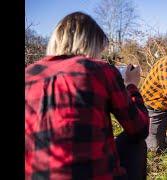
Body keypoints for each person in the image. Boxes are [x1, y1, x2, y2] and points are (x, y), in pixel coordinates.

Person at [25, 12, 149, 180]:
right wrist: (132, 86)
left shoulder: (28, 74)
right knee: (134, 142)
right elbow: (139, 129)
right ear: (91, 44)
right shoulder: (101, 70)